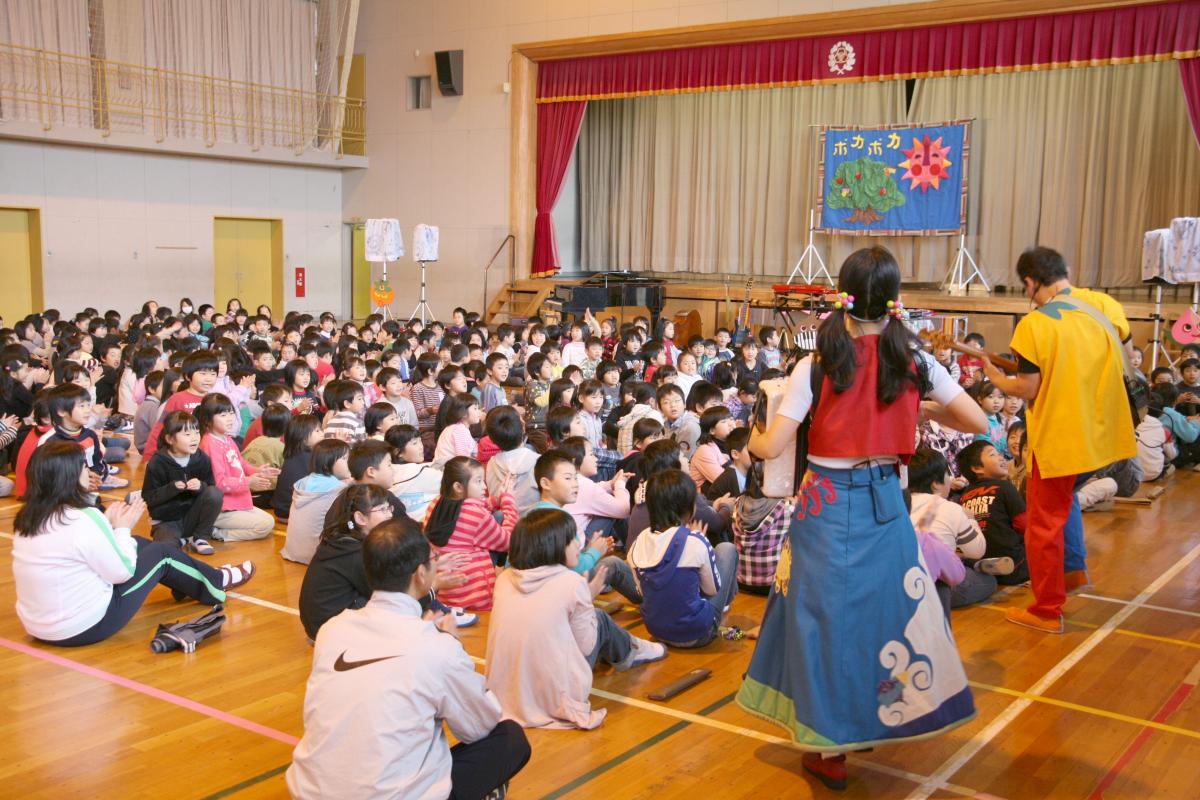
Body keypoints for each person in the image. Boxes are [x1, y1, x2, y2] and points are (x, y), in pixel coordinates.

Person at [737, 247, 987, 790]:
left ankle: (830, 745)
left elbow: (775, 441)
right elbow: (977, 417)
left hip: (826, 502)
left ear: (843, 292)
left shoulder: (819, 362)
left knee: (820, 622)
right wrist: (914, 406)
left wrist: (752, 440)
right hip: (887, 502)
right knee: (884, 616)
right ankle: (872, 717)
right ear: (894, 297)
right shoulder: (914, 361)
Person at [289, 516, 531, 800]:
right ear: (420, 574)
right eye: (433, 558)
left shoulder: (333, 630)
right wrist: (449, 645)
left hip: (310, 793)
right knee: (510, 738)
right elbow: (478, 727)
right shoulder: (435, 647)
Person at [980, 246, 1137, 633]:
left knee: (1043, 523)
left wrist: (995, 377)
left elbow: (1028, 388)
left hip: (1060, 437)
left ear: (1031, 282)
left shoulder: (1036, 324)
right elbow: (1128, 356)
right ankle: (1073, 574)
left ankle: (1047, 610)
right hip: (1104, 433)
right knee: (1067, 506)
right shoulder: (1105, 304)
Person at [12, 442, 252, 647]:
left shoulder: (29, 517)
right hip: (83, 627)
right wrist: (122, 527)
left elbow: (75, 545)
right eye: (84, 467)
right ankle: (216, 582)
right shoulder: (83, 517)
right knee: (161, 554)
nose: (89, 471)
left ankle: (188, 582)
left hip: (36, 625)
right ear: (70, 476)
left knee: (136, 543)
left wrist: (111, 526)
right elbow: (121, 572)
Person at [485, 508, 666, 730]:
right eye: (572, 538)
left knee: (588, 618)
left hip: (505, 692)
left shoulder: (504, 580)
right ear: (554, 547)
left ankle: (632, 649)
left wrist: (584, 598)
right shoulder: (570, 583)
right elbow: (587, 645)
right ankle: (633, 650)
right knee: (599, 619)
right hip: (553, 695)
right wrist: (587, 601)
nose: (579, 542)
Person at [627, 470, 738, 648]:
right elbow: (712, 589)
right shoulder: (694, 541)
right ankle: (724, 607)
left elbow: (643, 592)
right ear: (689, 507)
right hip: (696, 633)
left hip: (656, 631)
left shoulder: (638, 542)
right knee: (727, 549)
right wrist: (701, 542)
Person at [423, 456, 518, 611]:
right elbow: (509, 541)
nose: (484, 487)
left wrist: (497, 500)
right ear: (458, 487)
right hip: (475, 597)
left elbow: (473, 509)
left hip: (446, 595)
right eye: (478, 481)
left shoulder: (436, 504)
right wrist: (508, 501)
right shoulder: (476, 514)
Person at [197, 393, 278, 541]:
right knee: (265, 525)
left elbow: (241, 464)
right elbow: (219, 483)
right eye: (223, 415)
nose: (229, 418)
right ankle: (215, 532)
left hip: (236, 502)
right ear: (207, 420)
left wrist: (259, 471)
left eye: (231, 413)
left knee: (267, 520)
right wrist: (249, 482)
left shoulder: (227, 439)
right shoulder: (209, 444)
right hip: (221, 509)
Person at [142, 411, 223, 555]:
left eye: (197, 432)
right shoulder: (158, 462)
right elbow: (148, 497)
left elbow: (211, 486)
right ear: (170, 439)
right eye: (187, 434)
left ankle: (200, 537)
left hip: (191, 517)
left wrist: (201, 486)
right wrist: (171, 488)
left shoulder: (201, 458)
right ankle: (182, 539)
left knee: (215, 493)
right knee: (166, 552)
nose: (194, 438)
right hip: (166, 520)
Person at [283, 439, 351, 565]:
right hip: (316, 557)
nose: (350, 462)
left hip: (292, 551)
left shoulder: (302, 482)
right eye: (345, 458)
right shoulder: (339, 489)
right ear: (327, 463)